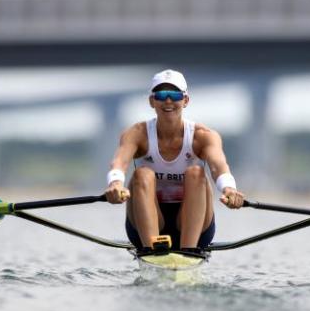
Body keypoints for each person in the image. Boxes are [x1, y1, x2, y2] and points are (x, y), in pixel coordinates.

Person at [104, 69, 245, 250]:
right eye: (161, 95)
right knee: (142, 174)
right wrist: (115, 184)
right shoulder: (137, 134)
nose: (168, 100)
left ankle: (188, 251)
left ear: (185, 100)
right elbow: (119, 162)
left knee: (196, 172)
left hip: (194, 224)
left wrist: (229, 189)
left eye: (175, 94)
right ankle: (152, 250)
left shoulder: (203, 136)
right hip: (146, 222)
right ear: (152, 101)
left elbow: (219, 167)